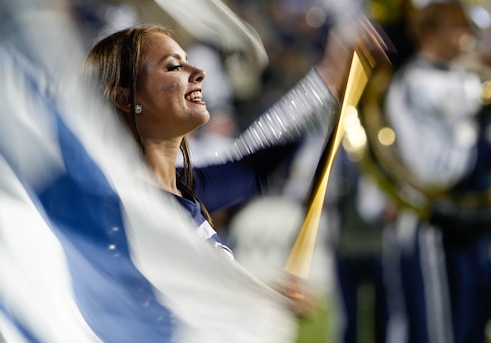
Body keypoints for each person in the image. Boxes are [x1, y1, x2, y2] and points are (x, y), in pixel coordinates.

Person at [83, 21, 384, 314]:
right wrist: (262, 302)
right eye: (174, 67)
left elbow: (252, 165)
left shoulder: (181, 189)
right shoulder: (124, 209)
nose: (199, 73)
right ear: (125, 97)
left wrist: (329, 79)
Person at [382, 0, 491, 343]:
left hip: (469, 220)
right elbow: (456, 101)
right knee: (440, 332)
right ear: (428, 32)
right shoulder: (415, 79)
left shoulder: (461, 75)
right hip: (434, 222)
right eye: (455, 27)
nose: (466, 35)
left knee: (472, 327)